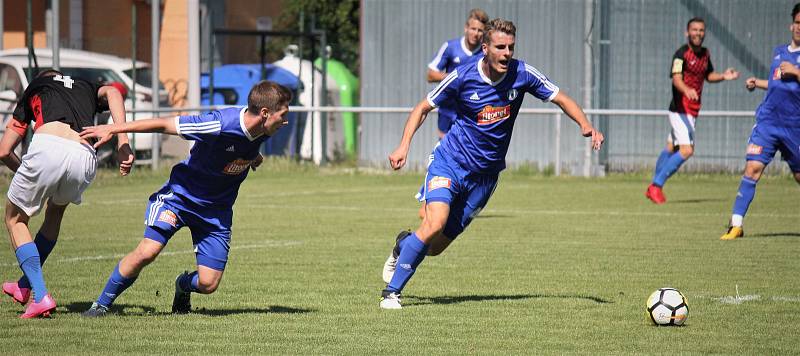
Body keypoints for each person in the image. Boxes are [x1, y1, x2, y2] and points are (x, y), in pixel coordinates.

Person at [379, 18, 604, 309]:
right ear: (485, 48)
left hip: (485, 178)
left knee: (434, 248)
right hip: (449, 162)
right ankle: (392, 293)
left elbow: (560, 97)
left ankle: (402, 245)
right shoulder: (462, 76)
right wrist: (403, 145)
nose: (507, 52)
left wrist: (586, 125)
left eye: (511, 47)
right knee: (434, 223)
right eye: (500, 47)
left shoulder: (523, 74)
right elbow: (422, 107)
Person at [79, 80, 292, 317]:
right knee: (148, 251)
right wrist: (115, 130)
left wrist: (253, 157)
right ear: (264, 113)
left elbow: (240, 146)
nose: (285, 121)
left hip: (216, 212)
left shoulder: (264, 130)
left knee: (208, 284)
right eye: (283, 115)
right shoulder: (218, 124)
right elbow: (162, 124)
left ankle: (182, 285)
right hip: (179, 199)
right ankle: (100, 305)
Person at [0, 70, 133, 318]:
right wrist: (122, 142)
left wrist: (30, 174)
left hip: (48, 146)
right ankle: (23, 286)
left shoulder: (36, 86)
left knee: (15, 220)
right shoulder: (85, 85)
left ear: (43, 76)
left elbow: (4, 150)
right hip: (84, 155)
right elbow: (115, 92)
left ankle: (41, 297)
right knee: (55, 213)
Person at [721, 3, 800, 240]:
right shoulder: (779, 52)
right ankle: (736, 224)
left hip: (794, 126)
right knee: (752, 169)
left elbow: (792, 78)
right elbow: (778, 83)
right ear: (791, 25)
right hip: (767, 122)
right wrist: (759, 83)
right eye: (798, 22)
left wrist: (796, 72)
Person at [645, 17, 740, 204]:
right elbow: (676, 78)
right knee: (687, 150)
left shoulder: (705, 54)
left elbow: (708, 75)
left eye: (701, 30)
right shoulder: (681, 54)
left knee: (671, 147)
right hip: (680, 110)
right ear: (687, 32)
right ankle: (656, 186)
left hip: (692, 111)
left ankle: (653, 186)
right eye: (694, 30)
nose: (698, 33)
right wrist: (686, 89)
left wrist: (723, 76)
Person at [418, 8, 489, 219]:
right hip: (448, 112)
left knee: (465, 158)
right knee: (443, 155)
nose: (476, 33)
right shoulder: (451, 48)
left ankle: (451, 202)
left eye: (480, 31)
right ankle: (427, 199)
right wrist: (455, 78)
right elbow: (430, 74)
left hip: (470, 117)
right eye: (473, 28)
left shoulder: (485, 54)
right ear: (466, 28)